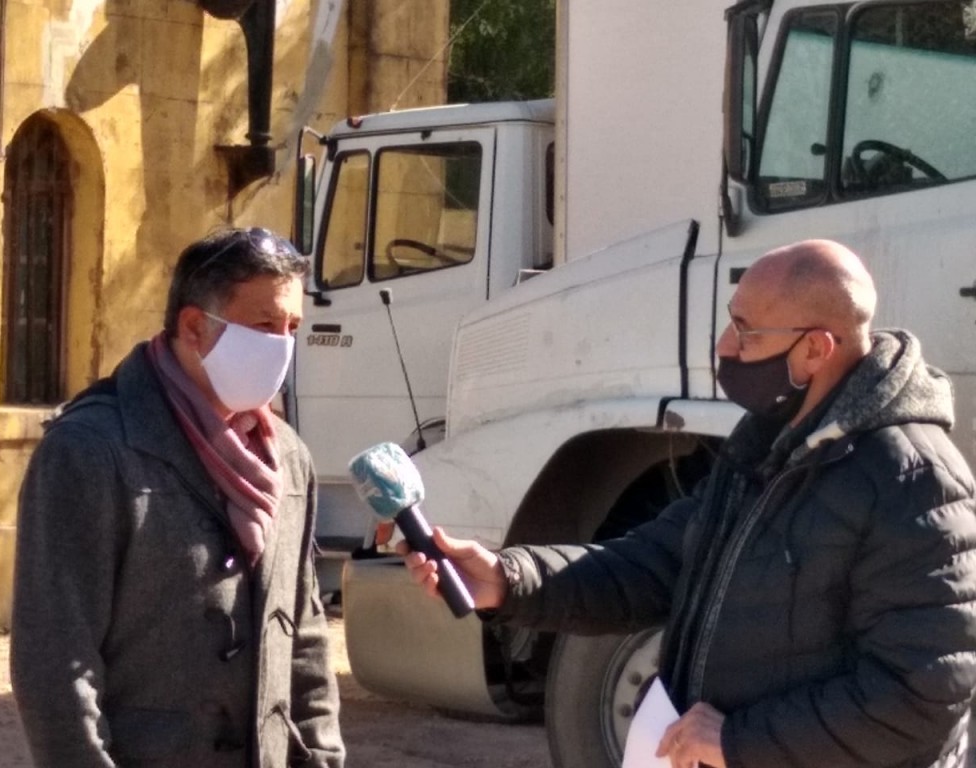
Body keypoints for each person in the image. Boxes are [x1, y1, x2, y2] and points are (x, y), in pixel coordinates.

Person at [401, 239, 976, 768]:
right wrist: (508, 579)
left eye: (746, 332)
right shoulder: (764, 445)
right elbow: (653, 563)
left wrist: (738, 741)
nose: (725, 347)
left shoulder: (914, 481)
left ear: (815, 350)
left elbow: (923, 695)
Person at [11, 228, 345, 768]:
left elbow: (303, 637)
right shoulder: (90, 451)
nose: (282, 346)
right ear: (194, 327)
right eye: (265, 326)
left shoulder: (287, 457)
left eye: (292, 328)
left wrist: (322, 754)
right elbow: (56, 662)